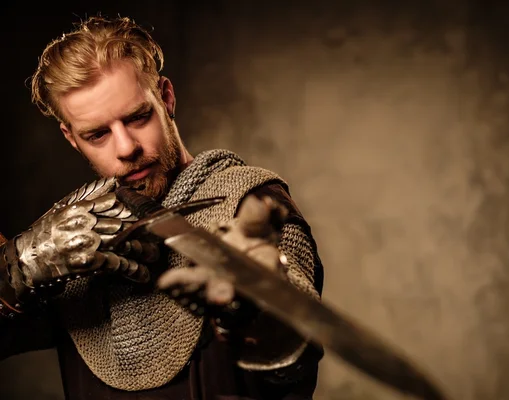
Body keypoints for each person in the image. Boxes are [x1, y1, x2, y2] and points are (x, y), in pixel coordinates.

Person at [0, 15, 324, 400]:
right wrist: (19, 265)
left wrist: (264, 311)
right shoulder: (73, 236)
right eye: (97, 134)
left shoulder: (252, 202)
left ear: (166, 97)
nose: (126, 149)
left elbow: (296, 367)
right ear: (71, 138)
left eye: (137, 117)